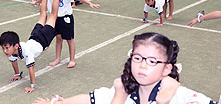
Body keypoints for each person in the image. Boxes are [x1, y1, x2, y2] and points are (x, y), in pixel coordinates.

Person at [34, 32, 219, 104]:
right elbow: (90, 98)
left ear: (166, 69)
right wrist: (58, 103)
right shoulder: (124, 89)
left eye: (153, 61)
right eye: (137, 58)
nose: (143, 65)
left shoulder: (182, 97)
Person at [0, 0, 65, 94]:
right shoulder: (12, 51)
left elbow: (31, 70)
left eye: (6, 48)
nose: (5, 51)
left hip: (42, 39)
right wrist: (17, 74)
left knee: (53, 15)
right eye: (3, 48)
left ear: (16, 46)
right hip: (34, 36)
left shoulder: (26, 53)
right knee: (43, 14)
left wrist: (32, 86)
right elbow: (13, 62)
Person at [47, 0, 100, 68]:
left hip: (65, 19)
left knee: (69, 39)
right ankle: (57, 58)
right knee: (58, 39)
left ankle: (72, 59)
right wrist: (36, 2)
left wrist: (89, 3)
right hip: (55, 19)